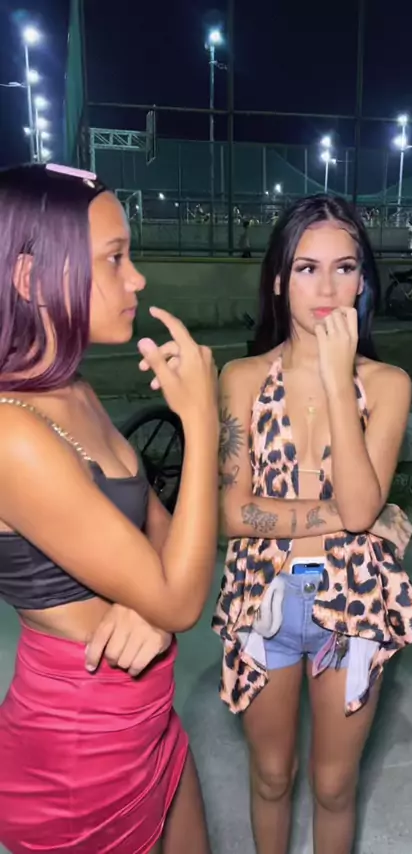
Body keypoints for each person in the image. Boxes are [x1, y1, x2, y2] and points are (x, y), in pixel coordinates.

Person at [0, 163, 219, 854]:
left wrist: (150, 604)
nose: (138, 278)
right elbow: (181, 595)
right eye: (115, 258)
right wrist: (202, 424)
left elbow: (166, 537)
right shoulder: (11, 433)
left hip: (149, 720)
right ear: (31, 278)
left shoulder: (74, 391)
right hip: (78, 755)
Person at [213, 195, 412, 854]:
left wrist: (339, 381)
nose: (328, 288)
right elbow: (231, 513)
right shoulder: (242, 378)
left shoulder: (386, 384)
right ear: (280, 280)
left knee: (335, 786)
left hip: (352, 600)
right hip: (263, 596)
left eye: (345, 267)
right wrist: (350, 515)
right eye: (307, 268)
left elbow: (361, 510)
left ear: (363, 280)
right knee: (272, 776)